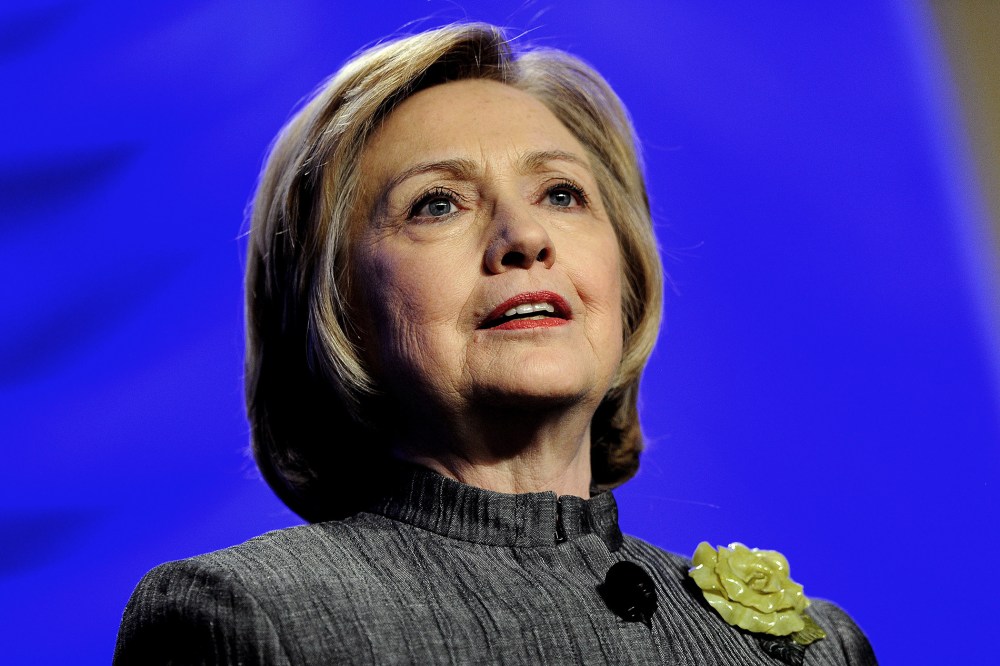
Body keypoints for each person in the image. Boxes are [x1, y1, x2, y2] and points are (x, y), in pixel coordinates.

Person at [114, 23, 876, 665]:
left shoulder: (815, 647)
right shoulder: (244, 619)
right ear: (339, 308)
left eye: (561, 193)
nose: (525, 238)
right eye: (437, 203)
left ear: (626, 273)